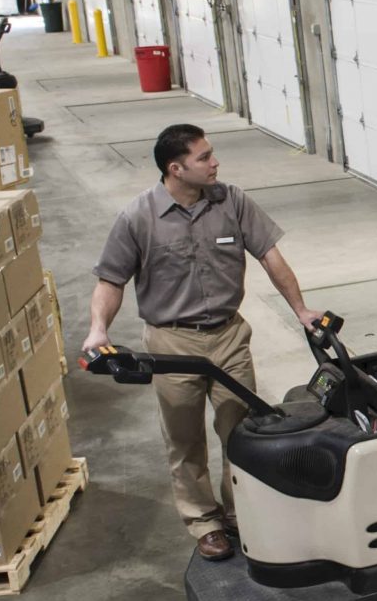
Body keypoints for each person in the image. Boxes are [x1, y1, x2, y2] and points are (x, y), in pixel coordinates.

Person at [82, 123, 323, 559]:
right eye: (204, 157)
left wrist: (301, 311)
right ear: (176, 168)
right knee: (185, 438)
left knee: (243, 429)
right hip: (172, 344)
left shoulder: (231, 201)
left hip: (228, 335)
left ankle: (239, 509)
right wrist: (99, 330)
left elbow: (271, 257)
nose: (215, 163)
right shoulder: (138, 217)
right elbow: (111, 280)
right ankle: (203, 521)